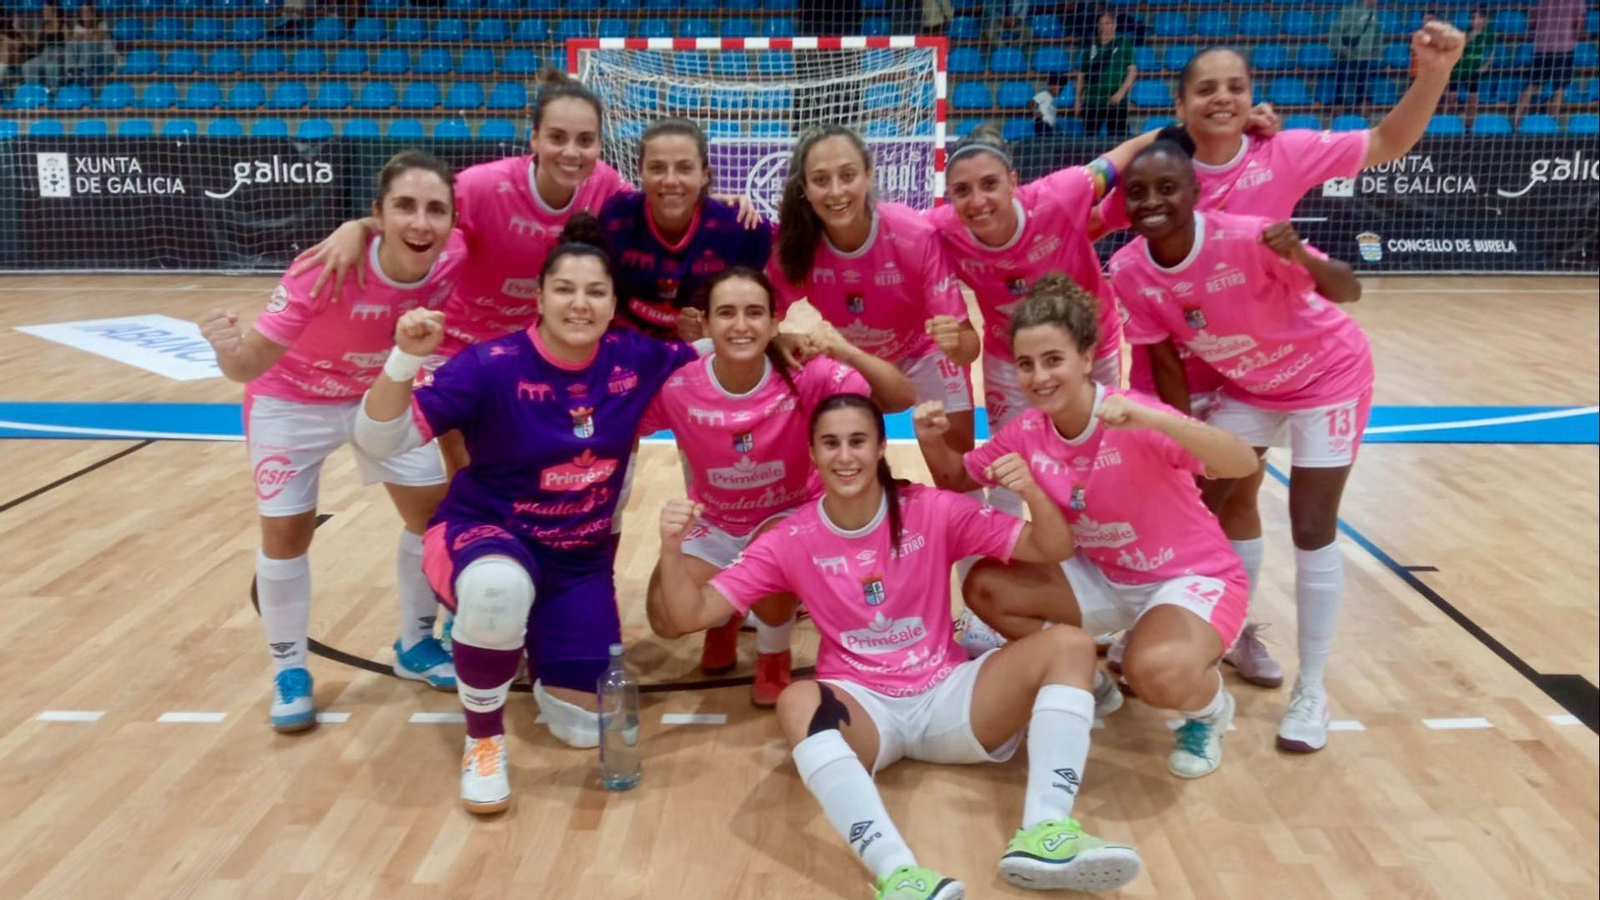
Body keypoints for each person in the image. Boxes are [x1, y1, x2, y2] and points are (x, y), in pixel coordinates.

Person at [652, 393, 1142, 899]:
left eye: (858, 441)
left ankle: (1045, 833)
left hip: (950, 697)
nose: (846, 456)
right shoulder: (791, 537)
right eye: (831, 443)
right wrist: (672, 550)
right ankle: (899, 876)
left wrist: (1034, 493)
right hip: (865, 711)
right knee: (797, 698)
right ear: (814, 454)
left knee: (1070, 646)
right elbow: (688, 615)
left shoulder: (932, 510)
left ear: (882, 447)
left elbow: (1052, 547)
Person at [1094, 30, 1462, 690]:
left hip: (1266, 341)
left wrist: (1433, 75)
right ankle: (1181, 621)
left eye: (1237, 87)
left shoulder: (1279, 151)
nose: (1224, 99)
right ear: (1180, 104)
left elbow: (1384, 144)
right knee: (1194, 500)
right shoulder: (1159, 172)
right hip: (1183, 344)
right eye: (1206, 89)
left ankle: (1237, 631)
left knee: (1247, 498)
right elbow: (1095, 220)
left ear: (1256, 97)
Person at [352, 215, 705, 814]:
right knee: (497, 591)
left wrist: (791, 336)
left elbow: (718, 354)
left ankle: (528, 642)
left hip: (578, 564)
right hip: (484, 534)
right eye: (564, 289)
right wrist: (402, 361)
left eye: (596, 291)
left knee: (581, 726)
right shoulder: (490, 365)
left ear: (614, 302)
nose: (580, 303)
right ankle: (483, 741)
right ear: (539, 297)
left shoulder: (635, 358)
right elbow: (377, 440)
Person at [917, 273, 1260, 778]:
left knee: (1155, 671)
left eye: (1053, 360)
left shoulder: (1133, 416)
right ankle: (1091, 684)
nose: (1039, 377)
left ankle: (1208, 710)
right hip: (1102, 575)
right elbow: (954, 476)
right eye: (1026, 365)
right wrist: (928, 437)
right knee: (988, 588)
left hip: (1189, 579)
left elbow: (1241, 463)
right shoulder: (1027, 431)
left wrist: (1159, 420)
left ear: (1085, 356)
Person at [1108, 134, 1373, 755]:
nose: (1152, 201)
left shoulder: (1248, 235)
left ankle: (1312, 689)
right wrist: (1180, 450)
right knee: (1198, 503)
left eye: (1167, 188)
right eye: (1139, 192)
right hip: (1252, 388)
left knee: (1311, 525)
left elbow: (1347, 291)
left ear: (1196, 193)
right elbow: (1165, 364)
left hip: (1328, 376)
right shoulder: (1129, 271)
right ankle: (1210, 629)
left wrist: (1302, 258)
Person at [198, 151, 465, 732]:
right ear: (378, 213)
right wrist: (226, 347)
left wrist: (360, 225)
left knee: (435, 515)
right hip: (291, 400)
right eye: (404, 207)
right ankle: (289, 669)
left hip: (380, 393)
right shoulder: (323, 268)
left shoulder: (454, 257)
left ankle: (416, 644)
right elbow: (248, 366)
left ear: (451, 220)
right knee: (287, 534)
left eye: (435, 210)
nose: (421, 222)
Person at [640, 267, 916, 706]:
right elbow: (615, 422)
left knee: (774, 552)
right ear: (706, 324)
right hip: (715, 521)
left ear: (774, 323)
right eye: (726, 313)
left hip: (785, 515)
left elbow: (899, 397)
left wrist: (845, 350)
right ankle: (724, 616)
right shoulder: (678, 385)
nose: (741, 324)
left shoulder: (803, 373)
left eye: (755, 313)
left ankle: (773, 651)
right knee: (665, 616)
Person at [770, 125, 980, 468]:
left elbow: (969, 348)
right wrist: (776, 339)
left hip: (923, 352)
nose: (836, 191)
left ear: (869, 174)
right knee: (847, 466)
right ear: (805, 189)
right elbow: (759, 318)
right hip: (854, 360)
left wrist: (956, 342)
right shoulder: (798, 243)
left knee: (958, 472)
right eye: (821, 180)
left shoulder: (914, 234)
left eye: (848, 175)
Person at [601, 118, 774, 342]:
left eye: (684, 168)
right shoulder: (614, 217)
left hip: (708, 354)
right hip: (627, 351)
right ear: (640, 171)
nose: (670, 180)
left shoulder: (740, 227)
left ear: (704, 174)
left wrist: (710, 326)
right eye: (657, 168)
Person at [1515, 0, 1585, 124]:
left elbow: (1532, 23)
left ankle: (1516, 121)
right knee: (1559, 88)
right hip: (1564, 48)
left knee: (1532, 85)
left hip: (1542, 47)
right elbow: (1579, 25)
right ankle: (1553, 124)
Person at [1072, 11, 1137, 140]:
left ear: (1114, 25)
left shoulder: (1123, 45)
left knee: (1119, 139)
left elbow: (1132, 71)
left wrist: (1121, 93)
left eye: (1107, 23)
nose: (1103, 26)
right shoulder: (1090, 48)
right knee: (1090, 140)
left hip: (1115, 101)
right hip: (1092, 101)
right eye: (1101, 23)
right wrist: (1078, 100)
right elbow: (1081, 75)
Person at [1329, 0, 1382, 117]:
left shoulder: (1375, 13)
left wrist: (1376, 54)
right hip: (1346, 57)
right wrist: (1341, 49)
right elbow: (1335, 32)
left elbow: (1378, 35)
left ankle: (1364, 120)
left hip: (1365, 58)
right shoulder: (1349, 11)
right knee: (1341, 87)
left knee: (1363, 88)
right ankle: (1337, 119)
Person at [1449, 8, 1496, 125]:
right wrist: (1472, 35)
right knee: (1451, 99)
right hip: (1458, 69)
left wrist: (1486, 65)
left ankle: (1469, 127)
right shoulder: (1465, 32)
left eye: (1479, 17)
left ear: (1485, 19)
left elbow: (1493, 51)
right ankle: (1448, 122)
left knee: (1472, 100)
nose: (1476, 21)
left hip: (1473, 70)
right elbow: (1459, 47)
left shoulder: (1489, 34)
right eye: (1473, 18)